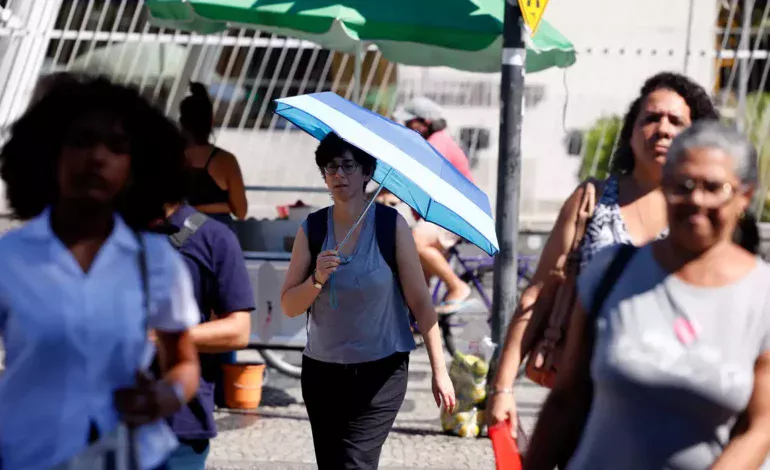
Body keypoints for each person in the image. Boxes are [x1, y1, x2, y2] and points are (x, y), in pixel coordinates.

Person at [526, 120, 770, 470]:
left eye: (714, 187)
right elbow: (568, 397)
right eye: (682, 185)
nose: (696, 200)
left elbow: (760, 427)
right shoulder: (613, 272)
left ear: (744, 196)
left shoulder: (762, 295)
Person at [487, 72, 720, 433]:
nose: (662, 129)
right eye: (651, 118)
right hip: (587, 396)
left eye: (676, 121)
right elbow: (539, 293)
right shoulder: (591, 201)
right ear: (631, 132)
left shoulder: (705, 211)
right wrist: (502, 388)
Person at [0, 76, 201, 469]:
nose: (97, 157)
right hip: (29, 457)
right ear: (50, 154)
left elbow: (185, 362)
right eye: (82, 140)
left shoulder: (155, 260)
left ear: (134, 166)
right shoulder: (9, 260)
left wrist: (165, 396)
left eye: (116, 146)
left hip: (134, 458)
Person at [280, 133, 456, 469]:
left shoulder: (391, 226)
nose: (339, 175)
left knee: (355, 464)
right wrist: (316, 279)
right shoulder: (313, 229)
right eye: (331, 167)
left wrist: (440, 371)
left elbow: (420, 303)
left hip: (381, 372)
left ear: (367, 173)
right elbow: (289, 305)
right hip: (322, 373)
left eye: (348, 165)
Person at [160, 201, 255, 469]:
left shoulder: (213, 236)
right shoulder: (108, 232)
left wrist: (163, 337)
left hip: (179, 422)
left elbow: (238, 331)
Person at [393, 96, 474, 313]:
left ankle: (457, 286)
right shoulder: (428, 142)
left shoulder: (438, 141)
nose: (406, 127)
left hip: (454, 215)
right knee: (416, 278)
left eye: (410, 123)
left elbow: (420, 173)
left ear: (425, 122)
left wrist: (393, 193)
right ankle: (415, 324)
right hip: (440, 217)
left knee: (416, 243)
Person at [179, 82, 248, 229]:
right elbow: (241, 212)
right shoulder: (225, 161)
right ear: (210, 122)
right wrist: (222, 207)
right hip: (217, 239)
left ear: (182, 122)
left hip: (180, 237)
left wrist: (195, 210)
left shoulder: (169, 157)